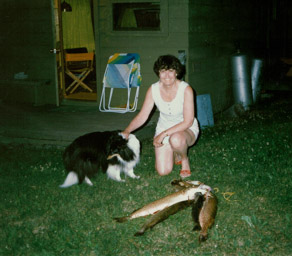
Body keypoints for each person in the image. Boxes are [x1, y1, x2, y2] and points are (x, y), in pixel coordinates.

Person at [121, 55, 200, 178]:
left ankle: (184, 159)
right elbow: (143, 115)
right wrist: (127, 130)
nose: (167, 76)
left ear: (176, 72)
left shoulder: (186, 89)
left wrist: (163, 134)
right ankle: (175, 152)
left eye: (171, 71)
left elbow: (188, 121)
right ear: (158, 72)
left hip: (186, 129)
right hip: (164, 127)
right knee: (163, 171)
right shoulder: (153, 89)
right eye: (163, 71)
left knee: (176, 139)